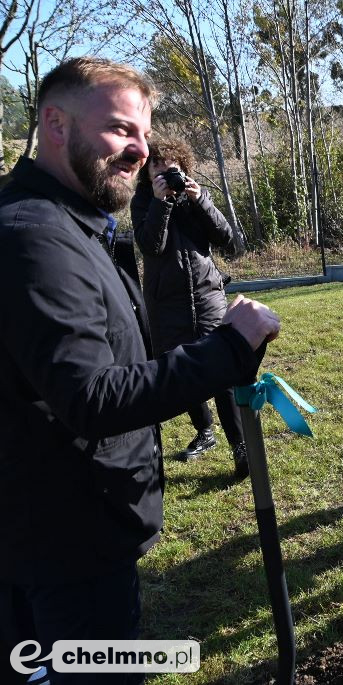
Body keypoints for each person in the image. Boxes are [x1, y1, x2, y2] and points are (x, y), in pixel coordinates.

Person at [0, 57, 280, 684]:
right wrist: (231, 349)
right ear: (54, 123)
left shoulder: (72, 225)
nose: (138, 150)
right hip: (67, 549)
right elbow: (92, 396)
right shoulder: (33, 237)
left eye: (144, 136)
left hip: (70, 532)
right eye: (122, 130)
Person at [131, 136, 248, 476]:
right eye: (156, 164)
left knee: (224, 372)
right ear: (146, 170)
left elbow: (228, 240)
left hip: (208, 297)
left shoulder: (197, 196)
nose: (165, 171)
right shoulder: (142, 201)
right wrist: (160, 203)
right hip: (166, 304)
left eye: (172, 166)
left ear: (183, 167)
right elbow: (152, 245)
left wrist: (200, 203)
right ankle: (204, 431)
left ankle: (240, 446)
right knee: (183, 374)